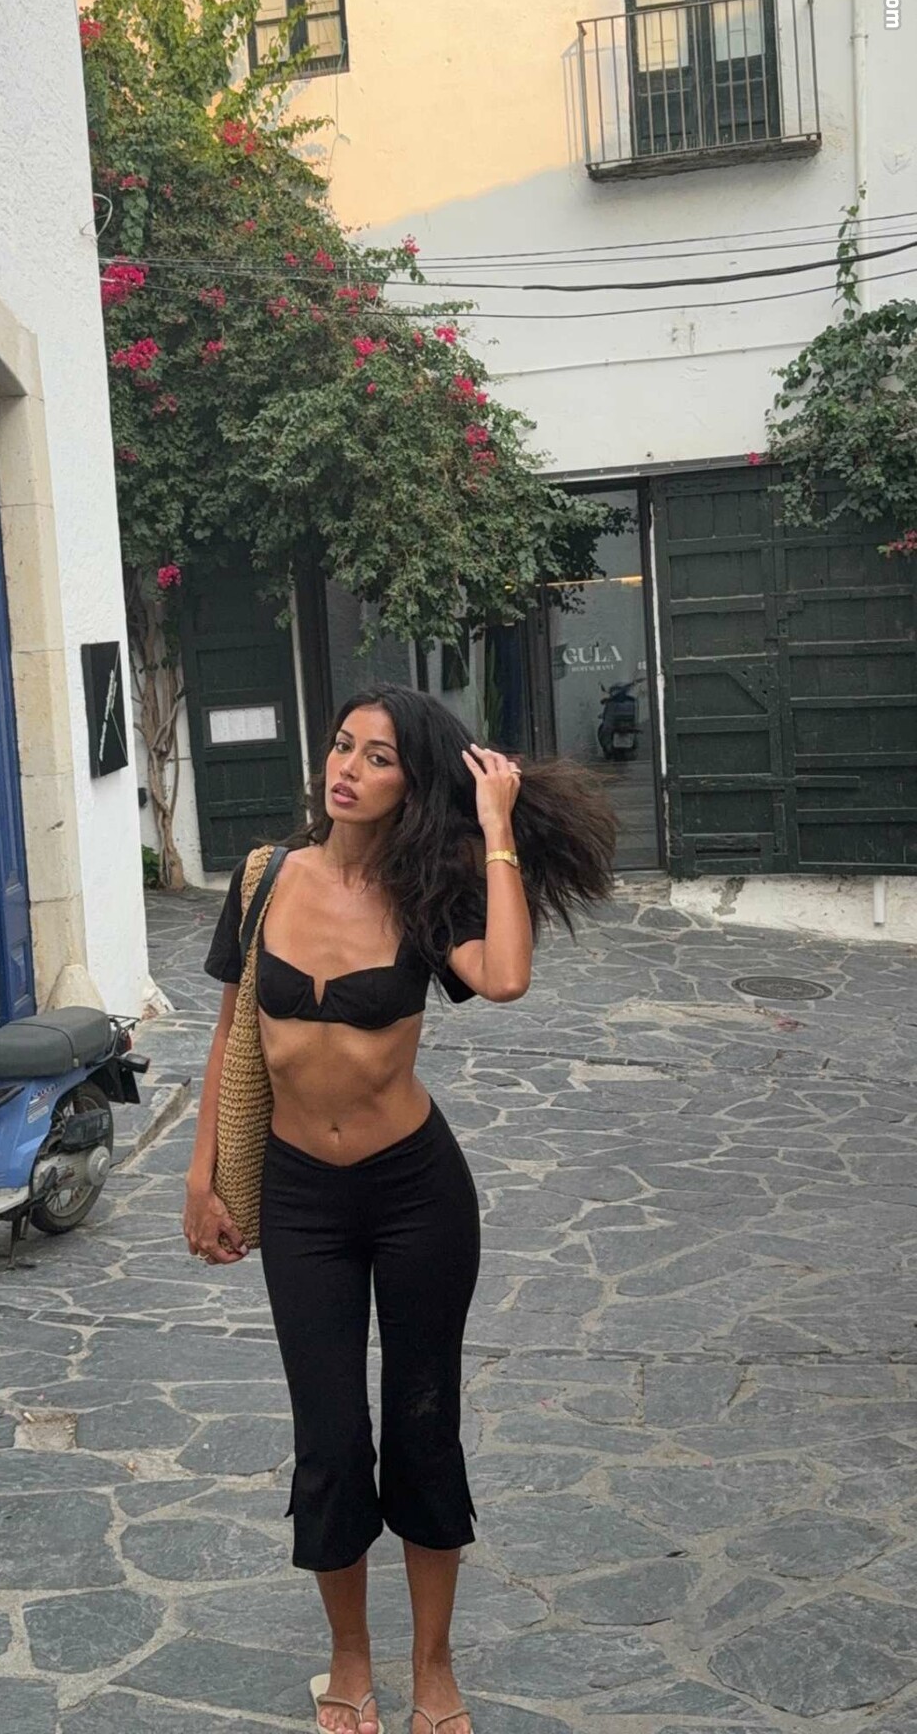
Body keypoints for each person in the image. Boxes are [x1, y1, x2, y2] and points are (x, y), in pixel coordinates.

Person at [183, 684, 615, 1734]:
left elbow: (504, 977)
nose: (348, 768)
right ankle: (349, 1661)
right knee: (330, 1439)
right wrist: (203, 1177)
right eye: (343, 746)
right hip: (300, 1197)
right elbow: (231, 1032)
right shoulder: (263, 878)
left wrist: (496, 824)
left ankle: (433, 1668)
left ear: (412, 784)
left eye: (379, 757)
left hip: (416, 1192)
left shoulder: (429, 893)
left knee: (424, 1429)